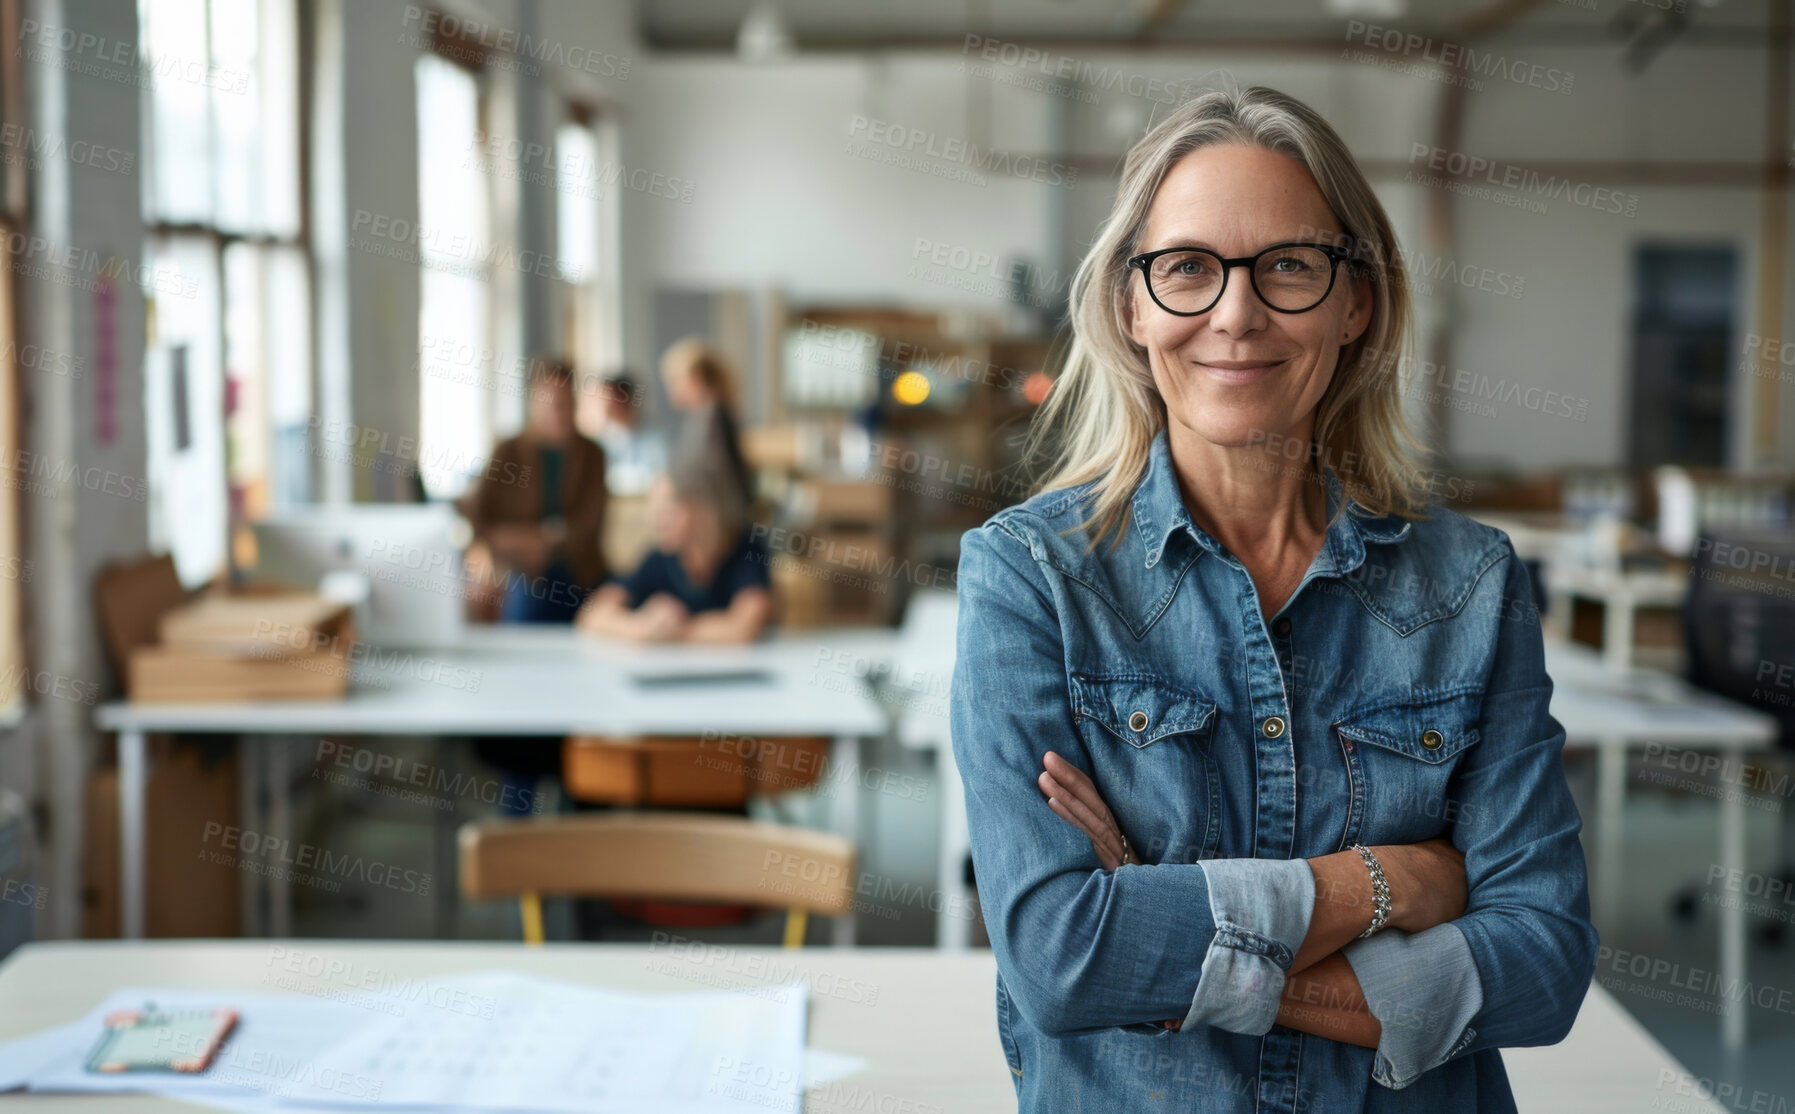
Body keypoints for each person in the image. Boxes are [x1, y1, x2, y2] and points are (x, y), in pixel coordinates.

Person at [950, 85, 1596, 1113]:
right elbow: (1059, 958)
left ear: (1356, 301)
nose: (1235, 313)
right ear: (1130, 302)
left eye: (1288, 265)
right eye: (1187, 268)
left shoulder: (1471, 586)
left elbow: (1545, 961)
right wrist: (1390, 885)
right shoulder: (1032, 577)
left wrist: (1170, 945)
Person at [461, 356, 608, 624]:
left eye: (565, 404)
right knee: (529, 595)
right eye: (551, 403)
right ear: (534, 403)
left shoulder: (591, 454)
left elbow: (590, 524)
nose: (558, 412)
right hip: (518, 566)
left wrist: (549, 539)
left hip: (576, 564)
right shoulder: (509, 451)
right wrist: (514, 543)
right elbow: (477, 512)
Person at [575, 458, 772, 644]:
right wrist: (640, 628)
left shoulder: (745, 551)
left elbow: (746, 627)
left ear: (702, 508)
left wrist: (678, 630)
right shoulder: (659, 559)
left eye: (669, 509)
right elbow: (591, 615)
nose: (658, 521)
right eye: (655, 510)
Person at [661, 338, 753, 516]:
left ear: (697, 377)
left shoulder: (714, 418)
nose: (670, 389)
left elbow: (713, 475)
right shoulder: (702, 416)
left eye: (674, 380)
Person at [593, 371, 668, 496]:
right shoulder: (603, 438)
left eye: (609, 399)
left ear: (625, 399)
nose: (605, 405)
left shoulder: (655, 435)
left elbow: (660, 474)